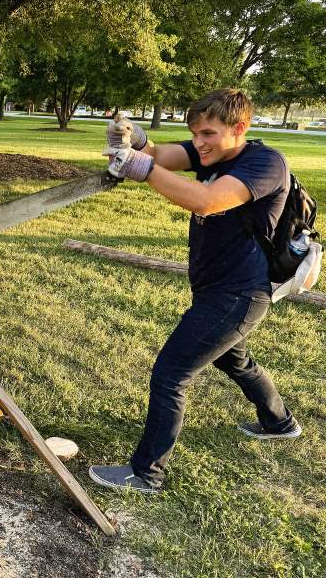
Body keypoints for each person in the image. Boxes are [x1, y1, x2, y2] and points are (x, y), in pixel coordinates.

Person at [89, 89, 301, 494]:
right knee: (235, 363)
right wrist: (131, 140)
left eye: (208, 133)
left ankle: (145, 473)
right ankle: (280, 422)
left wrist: (141, 166)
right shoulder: (211, 152)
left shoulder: (264, 163)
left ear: (239, 128)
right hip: (217, 290)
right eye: (194, 134)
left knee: (171, 373)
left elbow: (206, 201)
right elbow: (160, 153)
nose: (198, 143)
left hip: (238, 295)